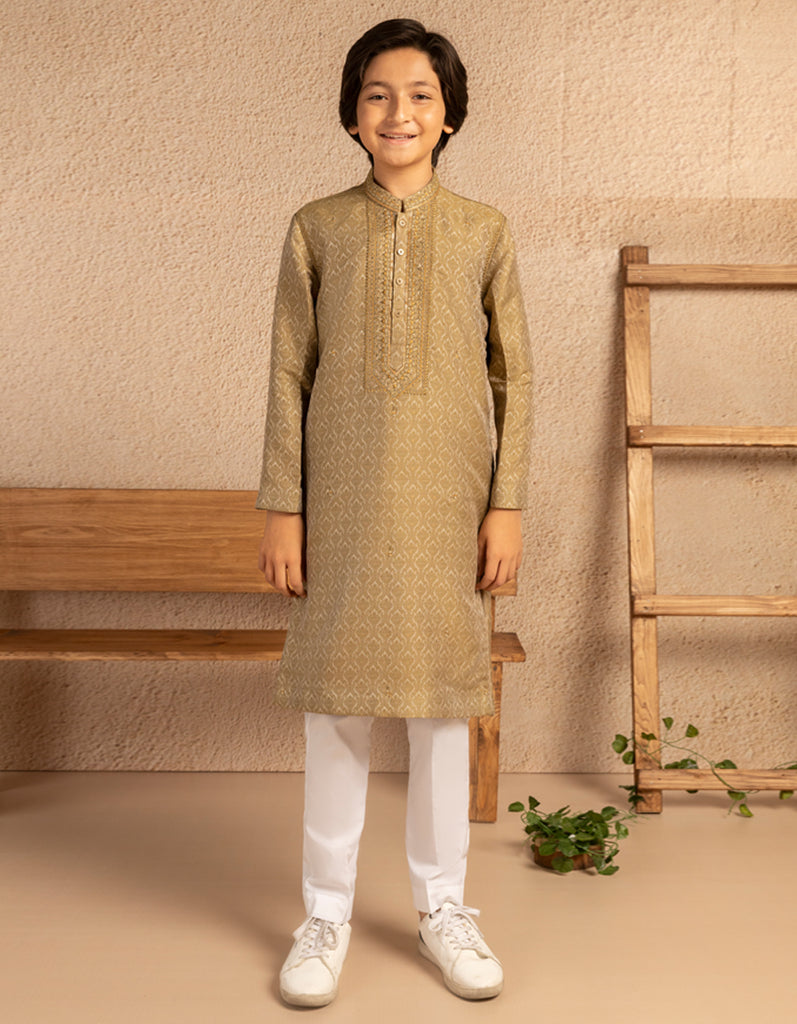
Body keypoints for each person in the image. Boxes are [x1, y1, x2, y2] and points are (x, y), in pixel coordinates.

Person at [256, 18, 533, 1008]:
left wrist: (505, 503)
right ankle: (325, 912)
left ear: (448, 114)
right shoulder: (317, 227)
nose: (398, 111)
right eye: (377, 93)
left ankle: (442, 907)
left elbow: (514, 377)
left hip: (448, 503)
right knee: (335, 707)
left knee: (441, 708)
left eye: (419, 94)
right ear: (351, 114)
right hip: (339, 500)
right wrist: (282, 508)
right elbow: (288, 372)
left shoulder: (484, 231)